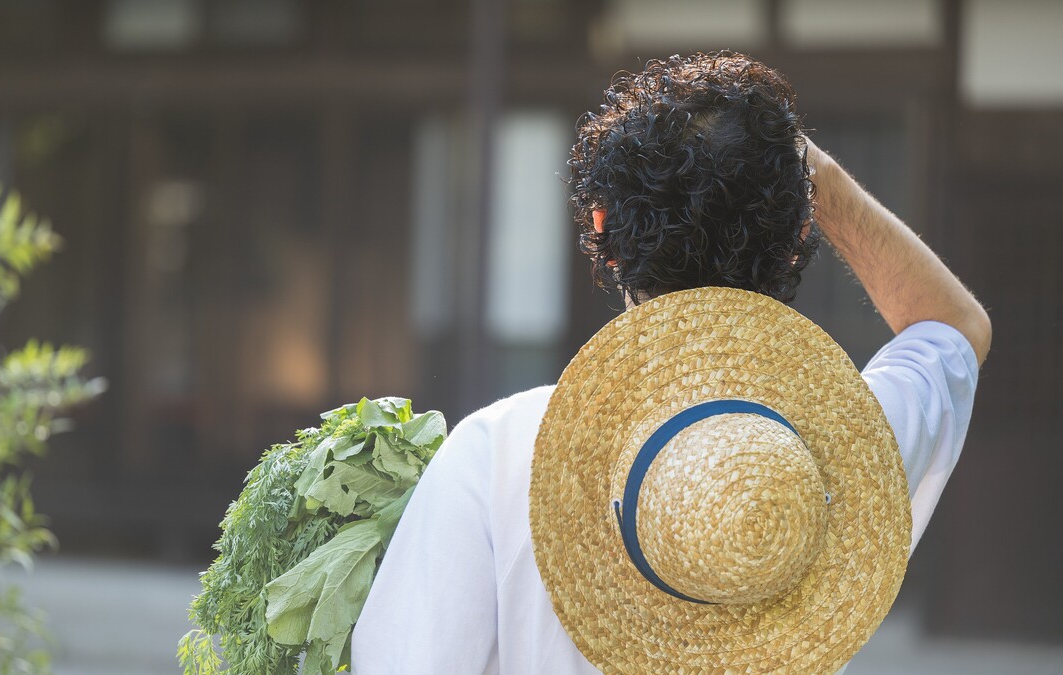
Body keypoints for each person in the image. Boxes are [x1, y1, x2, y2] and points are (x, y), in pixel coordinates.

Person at [350, 52, 989, 673]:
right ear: (799, 234)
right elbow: (956, 327)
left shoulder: (503, 452)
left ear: (604, 230)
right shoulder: (854, 441)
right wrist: (813, 178)